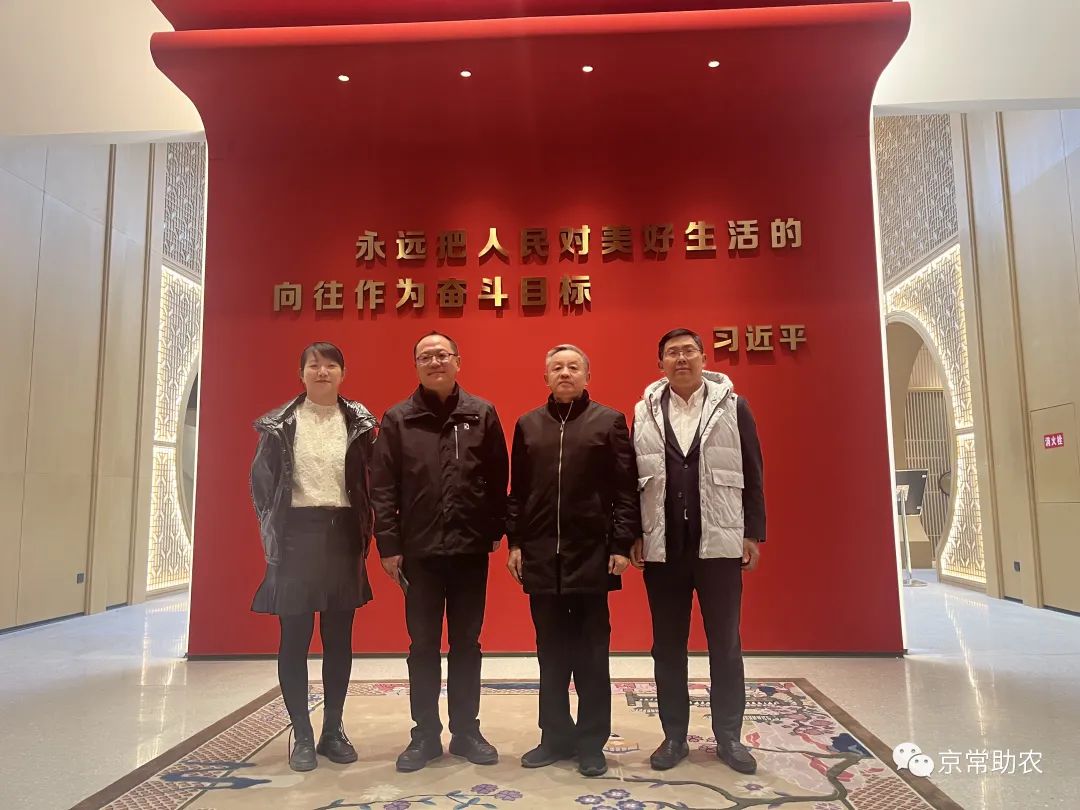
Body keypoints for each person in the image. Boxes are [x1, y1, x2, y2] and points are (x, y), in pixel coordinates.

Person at [371, 331, 509, 772]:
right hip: (420, 552)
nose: (435, 362)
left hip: (469, 550)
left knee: (467, 643)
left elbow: (498, 476)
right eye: (425, 357)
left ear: (457, 361)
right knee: (423, 645)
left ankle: (467, 731)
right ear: (416, 366)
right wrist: (389, 545)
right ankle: (425, 735)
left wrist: (494, 530)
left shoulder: (481, 413)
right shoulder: (398, 419)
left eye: (442, 355)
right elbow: (382, 487)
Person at [630, 328, 767, 775]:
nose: (681, 359)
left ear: (704, 358)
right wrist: (634, 533)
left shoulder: (733, 406)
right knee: (667, 647)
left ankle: (729, 737)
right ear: (661, 364)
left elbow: (753, 470)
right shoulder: (644, 411)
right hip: (664, 546)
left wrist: (752, 532)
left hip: (719, 544)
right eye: (672, 353)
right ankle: (674, 736)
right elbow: (632, 478)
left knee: (725, 644)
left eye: (689, 351)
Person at [506, 344, 640, 778]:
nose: (565, 373)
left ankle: (591, 743)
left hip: (591, 557)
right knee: (550, 655)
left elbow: (625, 490)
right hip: (542, 557)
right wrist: (515, 542)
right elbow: (518, 493)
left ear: (587, 376)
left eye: (573, 367)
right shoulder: (528, 425)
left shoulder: (609, 421)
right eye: (557, 368)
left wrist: (620, 544)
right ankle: (554, 737)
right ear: (545, 377)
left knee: (591, 655)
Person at [249, 341, 377, 772]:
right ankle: (302, 733)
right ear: (301, 373)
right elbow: (262, 486)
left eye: (331, 365)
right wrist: (274, 532)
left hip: (343, 534)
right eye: (314, 366)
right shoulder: (280, 424)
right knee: (295, 636)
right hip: (295, 537)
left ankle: (332, 730)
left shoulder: (359, 422)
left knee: (339, 637)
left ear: (343, 373)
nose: (322, 372)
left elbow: (370, 482)